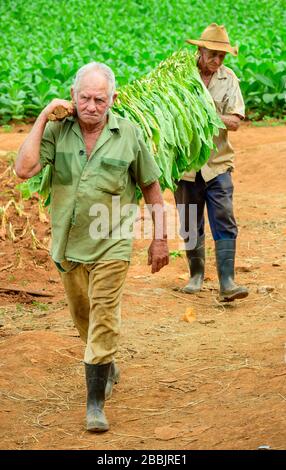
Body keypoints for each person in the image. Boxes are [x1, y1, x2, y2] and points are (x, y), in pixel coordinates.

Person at [15, 62, 169, 432]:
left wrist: (160, 237)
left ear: (112, 100)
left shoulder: (129, 134)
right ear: (72, 97)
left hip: (112, 243)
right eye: (84, 97)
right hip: (68, 245)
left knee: (103, 315)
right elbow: (24, 169)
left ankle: (95, 405)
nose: (91, 105)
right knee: (82, 315)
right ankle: (105, 364)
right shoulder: (57, 131)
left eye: (100, 99)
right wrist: (41, 118)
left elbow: (150, 187)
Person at [175, 23, 249, 302]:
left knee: (223, 217)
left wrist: (206, 116)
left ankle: (227, 281)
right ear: (200, 50)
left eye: (222, 56)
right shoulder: (181, 77)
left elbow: (236, 121)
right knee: (189, 221)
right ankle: (196, 275)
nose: (217, 61)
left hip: (217, 163)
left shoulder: (228, 79)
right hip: (185, 165)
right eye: (212, 55)